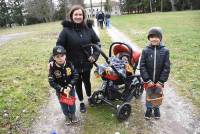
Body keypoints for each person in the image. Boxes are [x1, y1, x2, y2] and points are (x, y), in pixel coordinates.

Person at [56, 5, 101, 113]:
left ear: (83, 16)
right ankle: (81, 102)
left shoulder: (89, 29)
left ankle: (89, 97)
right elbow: (59, 47)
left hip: (86, 62)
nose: (78, 16)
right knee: (77, 83)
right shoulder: (66, 31)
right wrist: (55, 60)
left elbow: (97, 43)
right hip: (72, 64)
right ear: (71, 16)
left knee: (87, 81)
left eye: (80, 14)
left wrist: (94, 56)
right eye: (76, 14)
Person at [140, 27, 170, 119]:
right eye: (151, 37)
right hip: (148, 80)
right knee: (149, 94)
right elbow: (142, 66)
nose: (154, 39)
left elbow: (166, 67)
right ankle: (149, 109)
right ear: (149, 38)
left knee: (157, 94)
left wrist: (161, 81)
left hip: (159, 81)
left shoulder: (165, 51)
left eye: (156, 37)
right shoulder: (145, 50)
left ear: (160, 38)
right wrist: (147, 80)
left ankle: (156, 108)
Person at [48, 46, 79, 125]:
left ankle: (73, 114)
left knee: (71, 102)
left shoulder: (69, 64)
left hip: (70, 89)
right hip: (60, 91)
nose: (60, 58)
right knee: (63, 104)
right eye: (57, 56)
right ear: (54, 57)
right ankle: (67, 116)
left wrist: (70, 86)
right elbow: (51, 82)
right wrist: (61, 89)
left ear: (65, 55)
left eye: (62, 56)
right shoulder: (52, 68)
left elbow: (75, 75)